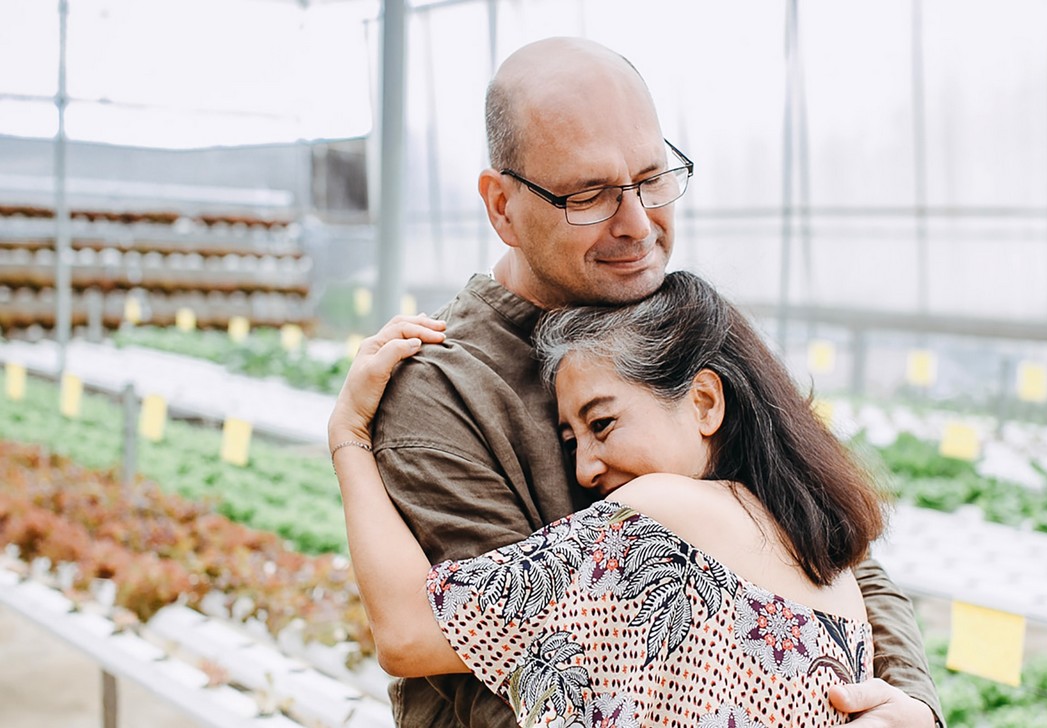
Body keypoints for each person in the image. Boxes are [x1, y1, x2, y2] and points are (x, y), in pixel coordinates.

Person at [359, 36, 943, 727]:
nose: (638, 224)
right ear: (502, 206)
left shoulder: (676, 321)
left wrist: (907, 706)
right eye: (589, 196)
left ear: (704, 401)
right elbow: (497, 676)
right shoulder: (442, 387)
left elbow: (823, 531)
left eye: (651, 178)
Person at [331, 271, 891, 726]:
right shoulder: (838, 586)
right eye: (571, 439)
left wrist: (349, 436)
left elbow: (408, 633)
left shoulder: (658, 520)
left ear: (703, 402)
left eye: (603, 422)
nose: (585, 466)